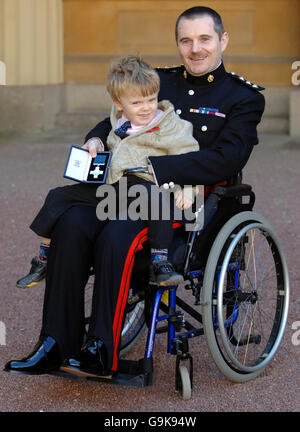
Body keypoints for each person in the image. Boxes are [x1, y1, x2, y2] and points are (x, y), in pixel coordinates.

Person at [5, 6, 265, 378]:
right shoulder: (160, 80)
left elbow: (226, 159)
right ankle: (55, 343)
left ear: (222, 40)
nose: (195, 49)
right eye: (186, 40)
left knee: (118, 230)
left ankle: (100, 351)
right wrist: (95, 137)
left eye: (205, 39)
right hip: (124, 191)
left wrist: (154, 170)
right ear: (178, 43)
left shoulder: (243, 97)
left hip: (184, 201)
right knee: (72, 222)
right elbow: (117, 115)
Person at [16, 54, 199, 289]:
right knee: (57, 196)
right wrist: (96, 143)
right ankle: (43, 258)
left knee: (157, 199)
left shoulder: (169, 125)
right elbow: (104, 137)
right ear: (118, 103)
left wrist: (189, 190)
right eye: (136, 103)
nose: (146, 108)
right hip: (112, 187)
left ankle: (159, 262)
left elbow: (191, 158)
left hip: (145, 185)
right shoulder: (118, 122)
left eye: (151, 99)